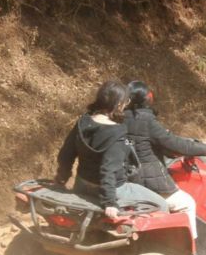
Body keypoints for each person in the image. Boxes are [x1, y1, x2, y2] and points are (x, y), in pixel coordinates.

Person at [55, 80, 169, 218]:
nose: (126, 104)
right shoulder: (116, 132)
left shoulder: (83, 122)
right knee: (162, 205)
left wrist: (62, 177)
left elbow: (66, 154)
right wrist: (109, 202)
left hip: (82, 184)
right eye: (126, 101)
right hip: (113, 190)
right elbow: (108, 170)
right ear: (119, 104)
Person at [123, 80, 206, 239]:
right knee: (187, 204)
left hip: (126, 177)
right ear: (147, 99)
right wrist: (204, 147)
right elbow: (174, 143)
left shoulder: (119, 117)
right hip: (147, 182)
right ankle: (191, 253)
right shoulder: (147, 121)